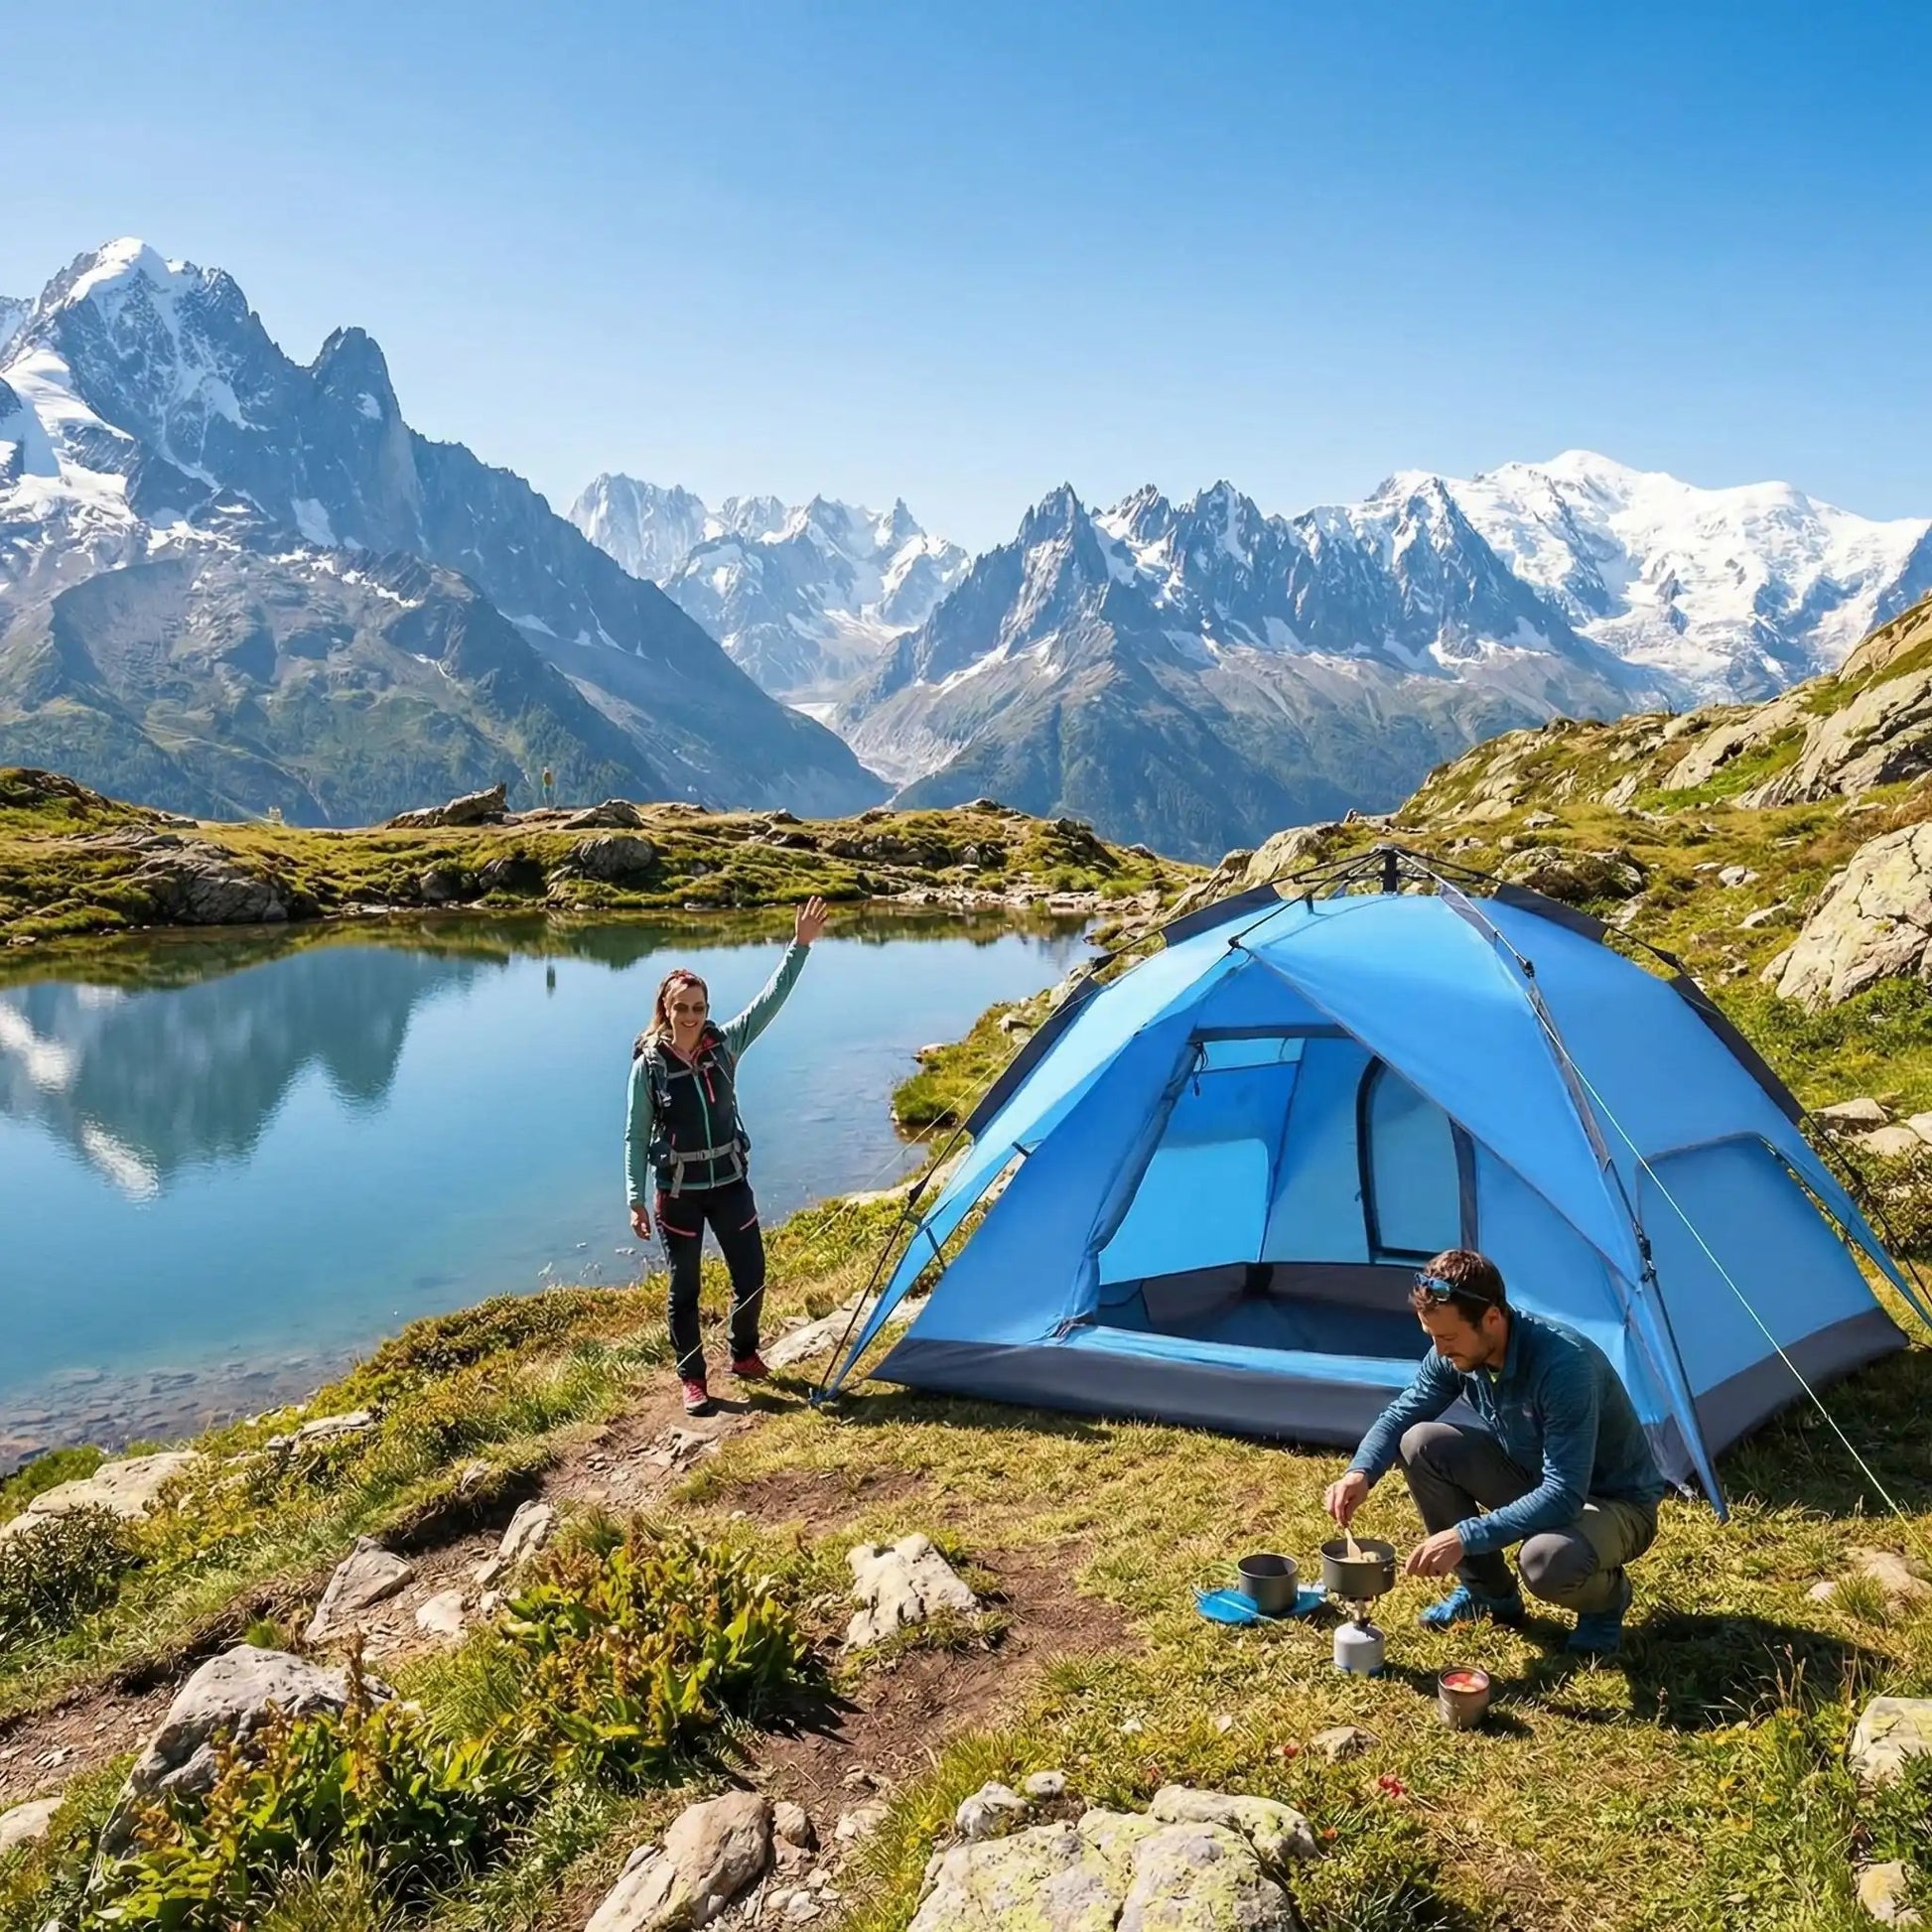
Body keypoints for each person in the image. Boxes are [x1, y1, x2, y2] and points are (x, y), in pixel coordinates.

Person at [1322, 1247, 1670, 1655]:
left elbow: (1564, 1493)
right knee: (1420, 1443)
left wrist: (1465, 1536)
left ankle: (1606, 1602)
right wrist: (1360, 1472)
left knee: (1546, 1560)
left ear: (1492, 1317)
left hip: (1613, 1503)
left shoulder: (1564, 1367)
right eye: (1432, 1336)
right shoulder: (1455, 1352)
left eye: (1448, 1337)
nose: (1440, 1350)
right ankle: (1489, 1595)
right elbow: (1403, 1413)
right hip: (1535, 1477)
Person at [626, 897, 829, 1415]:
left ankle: (743, 1353)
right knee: (685, 1289)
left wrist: (799, 947)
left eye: (699, 1007)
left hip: (730, 1183)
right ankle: (693, 1379)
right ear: (666, 1010)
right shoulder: (649, 1067)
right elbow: (635, 1134)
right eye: (681, 1008)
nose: (691, 1016)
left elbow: (770, 1000)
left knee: (752, 1275)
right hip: (679, 1193)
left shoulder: (726, 1046)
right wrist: (635, 1199)